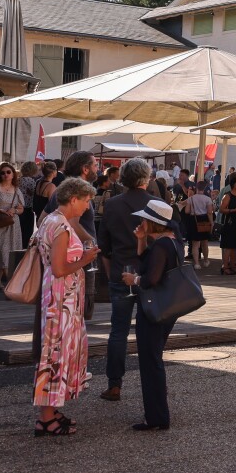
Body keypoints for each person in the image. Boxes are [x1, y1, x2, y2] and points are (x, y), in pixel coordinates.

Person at [31, 177, 99, 436]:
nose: (87, 206)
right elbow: (60, 268)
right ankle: (46, 418)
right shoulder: (60, 226)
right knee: (55, 354)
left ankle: (51, 411)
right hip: (60, 300)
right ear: (73, 199)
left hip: (59, 298)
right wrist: (85, 259)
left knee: (56, 353)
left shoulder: (52, 220)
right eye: (85, 200)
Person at [117, 199, 181, 431]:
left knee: (150, 361)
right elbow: (147, 262)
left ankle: (156, 417)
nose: (141, 221)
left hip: (155, 309)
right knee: (153, 359)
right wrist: (142, 240)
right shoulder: (170, 241)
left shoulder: (163, 245)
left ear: (153, 222)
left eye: (145, 219)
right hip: (166, 307)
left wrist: (132, 280)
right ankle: (157, 414)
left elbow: (150, 278)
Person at [96, 159, 157, 402]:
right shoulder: (158, 204)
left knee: (118, 331)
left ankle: (114, 384)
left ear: (122, 178)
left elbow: (104, 244)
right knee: (149, 332)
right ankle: (151, 383)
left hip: (121, 271)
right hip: (150, 274)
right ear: (146, 178)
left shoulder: (112, 204)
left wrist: (111, 270)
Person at [0, 161, 24, 288]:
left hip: (13, 225)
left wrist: (14, 210)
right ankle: (12, 285)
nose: (6, 175)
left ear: (13, 174)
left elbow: (21, 209)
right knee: (0, 250)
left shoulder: (17, 190)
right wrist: (0, 210)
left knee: (9, 252)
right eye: (3, 173)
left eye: (8, 172)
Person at [218, 176, 236, 275]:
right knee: (228, 246)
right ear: (233, 185)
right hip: (229, 222)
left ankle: (233, 265)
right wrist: (233, 210)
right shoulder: (228, 195)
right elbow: (222, 209)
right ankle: (225, 266)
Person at [184, 185, 214, 270]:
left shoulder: (191, 198)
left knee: (195, 244)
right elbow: (209, 212)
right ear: (204, 189)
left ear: (196, 189)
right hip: (204, 220)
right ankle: (206, 260)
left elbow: (187, 211)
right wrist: (211, 222)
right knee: (205, 242)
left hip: (194, 220)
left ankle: (196, 263)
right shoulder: (207, 199)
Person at [18, 161, 39, 248]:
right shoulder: (32, 181)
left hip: (18, 209)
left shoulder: (18, 180)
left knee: (19, 232)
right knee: (27, 233)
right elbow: (34, 194)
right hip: (27, 209)